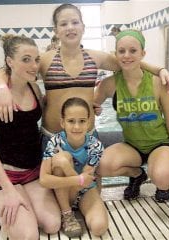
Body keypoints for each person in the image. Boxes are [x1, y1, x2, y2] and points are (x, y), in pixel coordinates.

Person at [0, 4, 169, 138]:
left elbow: (129, 61)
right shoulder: (45, 59)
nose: (70, 27)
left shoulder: (94, 58)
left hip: (88, 137)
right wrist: (1, 88)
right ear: (56, 31)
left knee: (92, 187)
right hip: (53, 136)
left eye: (75, 22)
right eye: (63, 24)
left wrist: (160, 69)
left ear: (83, 27)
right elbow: (8, 70)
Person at [94, 29, 169, 202]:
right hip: (132, 146)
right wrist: (94, 109)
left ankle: (161, 181)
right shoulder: (109, 85)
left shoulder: (158, 83)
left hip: (160, 145)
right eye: (121, 51)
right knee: (100, 165)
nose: (126, 56)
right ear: (115, 54)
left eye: (133, 51)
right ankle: (137, 174)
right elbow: (86, 109)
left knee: (163, 178)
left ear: (143, 54)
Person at [0, 34, 61, 239]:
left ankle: (22, 199)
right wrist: (9, 191)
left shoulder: (33, 87)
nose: (34, 66)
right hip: (6, 176)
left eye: (36, 60)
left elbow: (49, 110)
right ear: (9, 61)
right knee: (28, 235)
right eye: (25, 59)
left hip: (32, 171)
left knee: (52, 224)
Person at [40, 97, 108, 238]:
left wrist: (76, 178)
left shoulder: (95, 146)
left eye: (82, 121)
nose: (76, 127)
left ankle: (79, 209)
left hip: (83, 192)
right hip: (61, 193)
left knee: (99, 227)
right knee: (62, 158)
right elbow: (44, 179)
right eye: (71, 121)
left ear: (88, 122)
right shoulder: (55, 142)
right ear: (62, 122)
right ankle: (67, 213)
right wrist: (67, 167)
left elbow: (84, 184)